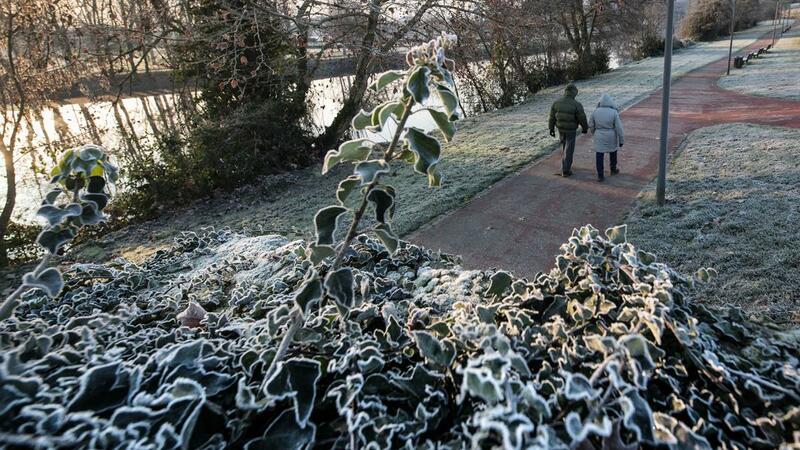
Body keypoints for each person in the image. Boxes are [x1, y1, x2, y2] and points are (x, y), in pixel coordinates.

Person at [548, 83, 588, 177]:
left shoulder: (556, 103)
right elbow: (582, 118)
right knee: (569, 149)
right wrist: (585, 128)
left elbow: (552, 117)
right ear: (574, 93)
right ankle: (566, 170)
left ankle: (565, 165)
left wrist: (551, 128)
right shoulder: (577, 104)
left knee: (564, 146)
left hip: (561, 128)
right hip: (571, 130)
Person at [588, 93, 624, 182]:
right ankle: (613, 169)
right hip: (611, 135)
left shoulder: (595, 112)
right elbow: (619, 128)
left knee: (599, 155)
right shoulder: (614, 112)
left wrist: (594, 133)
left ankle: (600, 175)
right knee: (613, 152)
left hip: (599, 134)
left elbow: (591, 125)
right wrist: (621, 140)